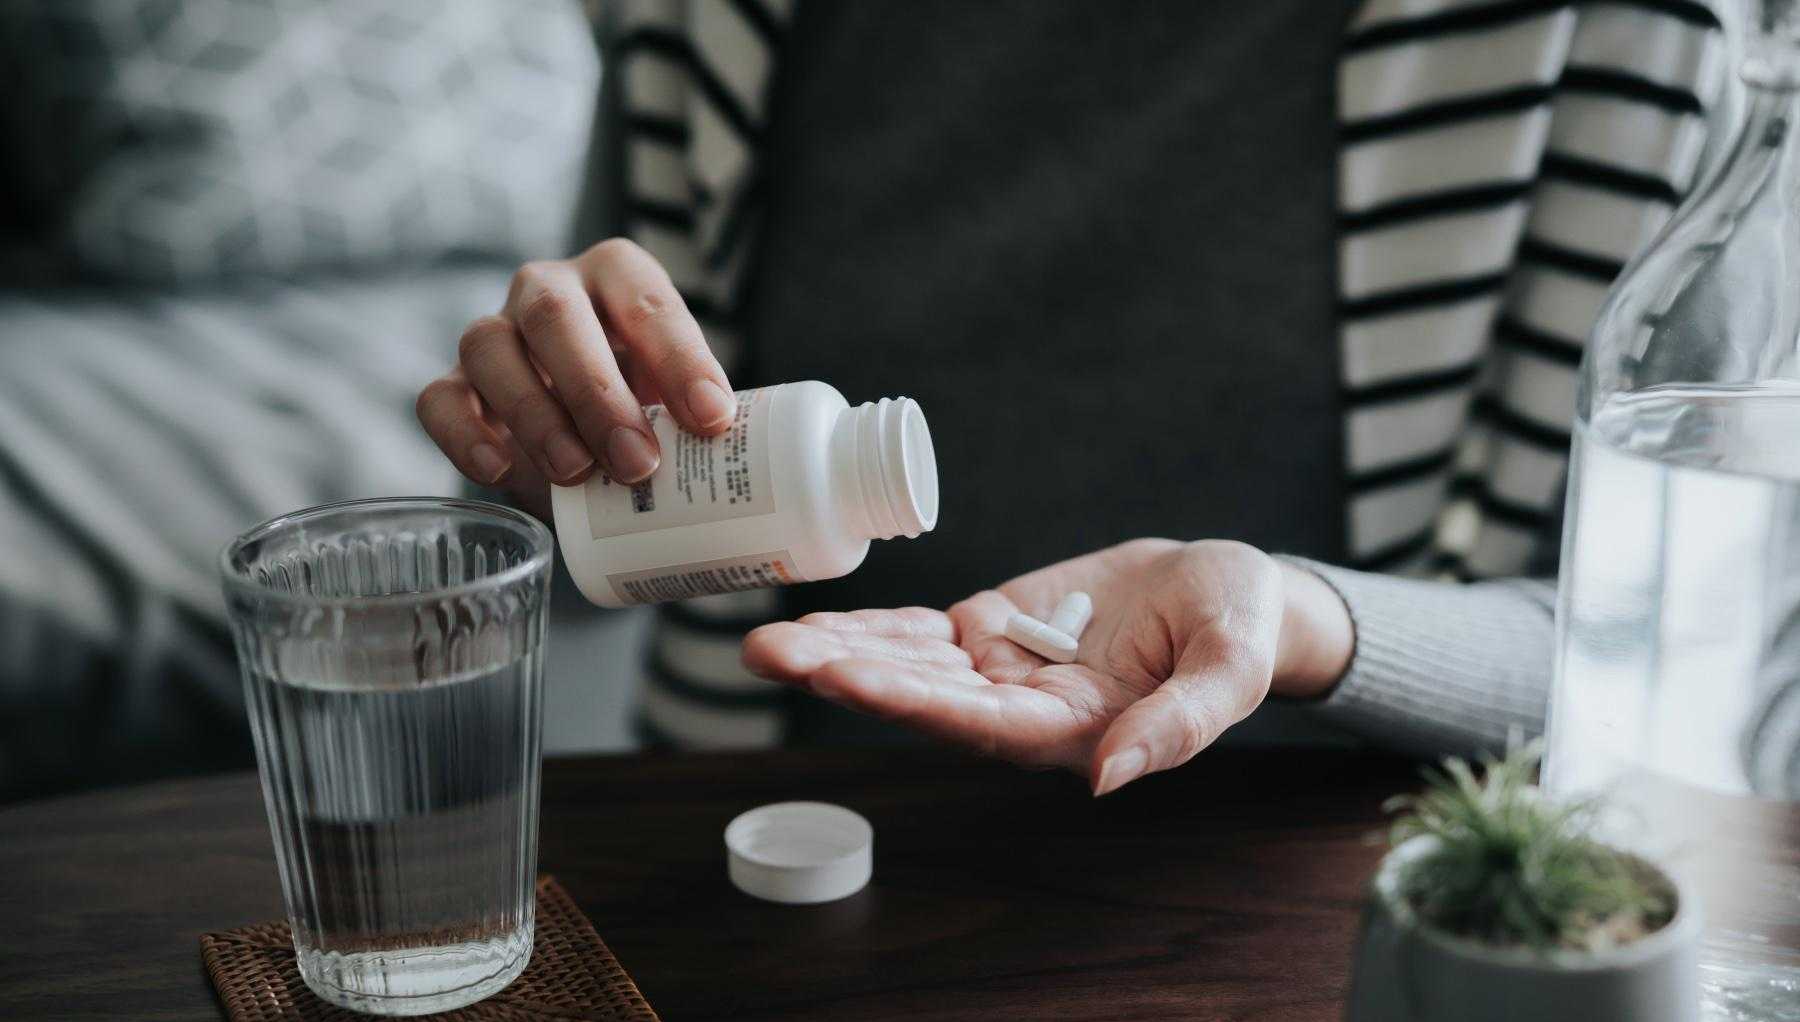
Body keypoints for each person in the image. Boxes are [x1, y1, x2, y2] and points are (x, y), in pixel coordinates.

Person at [416, 1, 1728, 789]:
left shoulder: (1620, 34)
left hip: (1317, 925)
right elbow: (578, 530)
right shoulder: (722, 18)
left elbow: (1671, 659)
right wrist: (546, 459)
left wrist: (1301, 620)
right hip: (777, 861)